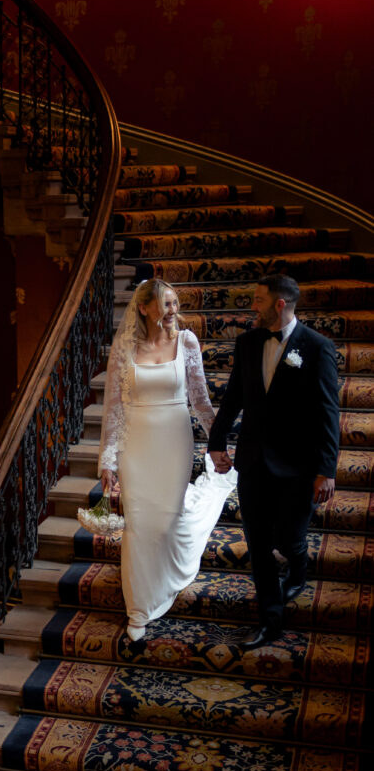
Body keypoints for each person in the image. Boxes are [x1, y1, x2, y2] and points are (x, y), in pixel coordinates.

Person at [99, 278, 237, 643]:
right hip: (136, 445)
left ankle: (171, 572)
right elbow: (113, 409)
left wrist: (217, 444)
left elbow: (200, 399)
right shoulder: (125, 347)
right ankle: (139, 608)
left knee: (167, 522)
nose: (174, 309)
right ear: (144, 308)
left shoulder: (186, 342)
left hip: (174, 441)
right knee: (140, 524)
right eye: (166, 303)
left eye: (176, 302)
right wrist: (108, 460)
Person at [208, 273, 340, 650]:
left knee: (289, 538)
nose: (253, 305)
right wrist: (217, 441)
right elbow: (234, 396)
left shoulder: (317, 348)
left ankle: (299, 561)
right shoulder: (248, 343)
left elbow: (329, 412)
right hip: (252, 462)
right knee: (258, 542)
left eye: (258, 299)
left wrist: (326, 469)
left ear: (279, 304)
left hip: (299, 466)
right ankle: (270, 619)